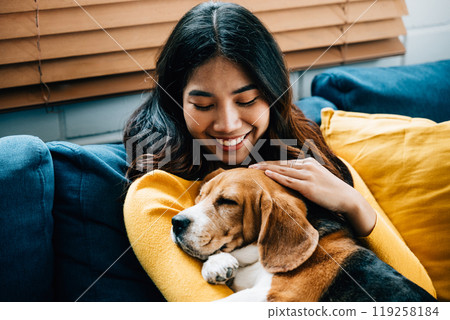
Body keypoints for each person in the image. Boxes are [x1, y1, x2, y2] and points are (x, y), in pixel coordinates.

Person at [123, 2, 435, 301]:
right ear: (175, 103)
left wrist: (354, 203)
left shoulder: (311, 165)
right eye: (203, 105)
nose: (228, 124)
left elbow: (420, 296)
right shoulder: (155, 194)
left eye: (246, 101)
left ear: (273, 96)